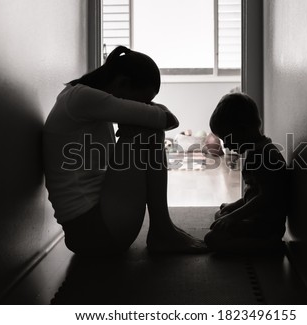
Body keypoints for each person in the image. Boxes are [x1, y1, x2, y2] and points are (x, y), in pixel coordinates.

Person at [43, 46, 207, 256]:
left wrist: (146, 112)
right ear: (122, 83)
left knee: (146, 130)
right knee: (145, 131)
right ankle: (162, 230)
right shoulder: (82, 98)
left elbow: (164, 119)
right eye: (142, 101)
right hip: (94, 232)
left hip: (93, 229)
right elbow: (167, 120)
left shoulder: (78, 98)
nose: (143, 106)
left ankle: (163, 229)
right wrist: (151, 112)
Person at [204, 93, 288, 254]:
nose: (226, 145)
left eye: (227, 138)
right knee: (219, 215)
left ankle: (268, 246)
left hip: (266, 225)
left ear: (244, 129)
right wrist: (234, 207)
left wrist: (234, 216)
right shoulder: (256, 151)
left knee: (212, 240)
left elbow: (266, 197)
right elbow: (253, 193)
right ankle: (258, 242)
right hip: (255, 217)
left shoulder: (266, 155)